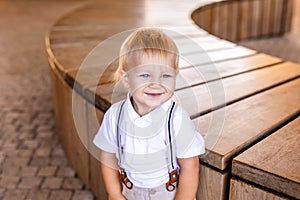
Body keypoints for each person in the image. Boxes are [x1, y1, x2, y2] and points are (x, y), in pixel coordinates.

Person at [93, 27, 205, 200]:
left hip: (167, 193)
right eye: (145, 75)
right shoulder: (115, 116)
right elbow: (108, 156)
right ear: (126, 78)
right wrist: (114, 192)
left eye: (166, 76)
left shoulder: (176, 120)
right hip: (129, 189)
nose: (156, 84)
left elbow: (190, 166)